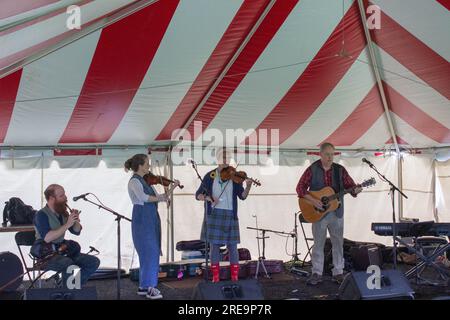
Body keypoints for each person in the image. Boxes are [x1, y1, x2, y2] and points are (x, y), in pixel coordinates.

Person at [296, 142, 362, 285]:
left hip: (336, 212)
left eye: (332, 154)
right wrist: (314, 201)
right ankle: (316, 273)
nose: (330, 157)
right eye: (327, 154)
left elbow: (350, 186)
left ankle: (338, 272)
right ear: (320, 154)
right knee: (318, 243)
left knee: (338, 243)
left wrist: (355, 190)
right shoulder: (312, 169)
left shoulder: (340, 170)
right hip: (318, 213)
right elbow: (300, 188)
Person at [125, 153, 180, 299]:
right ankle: (151, 287)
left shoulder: (146, 181)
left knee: (150, 252)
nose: (149, 166)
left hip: (151, 217)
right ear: (141, 165)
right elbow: (144, 198)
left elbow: (160, 197)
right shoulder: (134, 182)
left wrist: (172, 187)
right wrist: (161, 197)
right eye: (147, 163)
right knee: (150, 252)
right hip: (142, 218)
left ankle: (144, 286)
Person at [195, 148, 252, 282]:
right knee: (214, 247)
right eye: (224, 157)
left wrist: (248, 186)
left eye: (228, 157)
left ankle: (235, 277)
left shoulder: (234, 176)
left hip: (230, 214)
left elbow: (242, 196)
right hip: (214, 214)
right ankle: (215, 277)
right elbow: (198, 195)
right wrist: (208, 198)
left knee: (232, 246)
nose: (226, 160)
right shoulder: (210, 176)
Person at [34, 184, 100, 288]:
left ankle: (69, 288)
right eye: (61, 196)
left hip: (63, 251)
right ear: (51, 198)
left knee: (93, 262)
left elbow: (76, 231)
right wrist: (68, 224)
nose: (65, 198)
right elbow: (47, 238)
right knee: (69, 264)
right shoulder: (41, 215)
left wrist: (76, 220)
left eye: (64, 195)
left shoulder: (62, 213)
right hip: (46, 255)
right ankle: (68, 291)